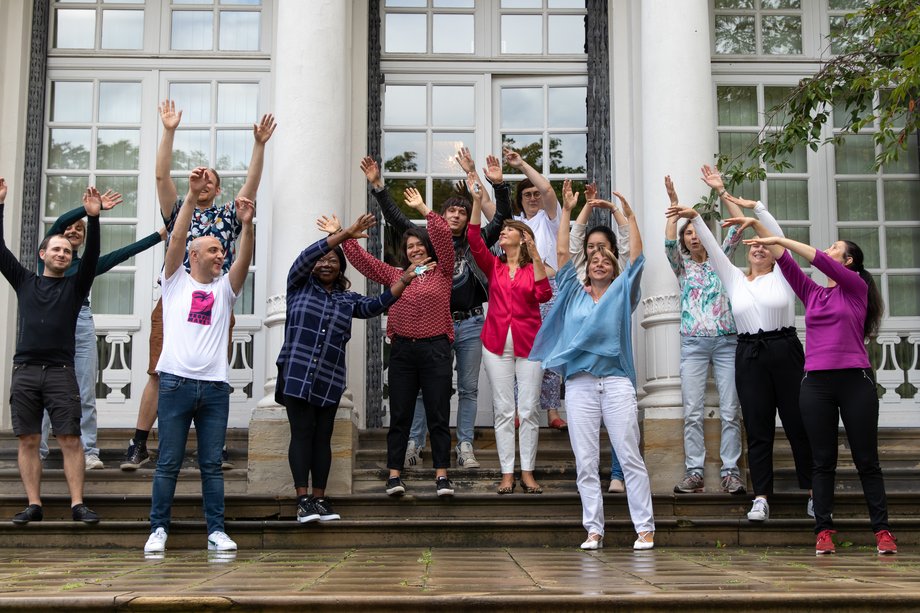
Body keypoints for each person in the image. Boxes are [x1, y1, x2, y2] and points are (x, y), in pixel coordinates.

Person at [123, 99, 275, 471]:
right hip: (175, 302)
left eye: (211, 179)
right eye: (199, 177)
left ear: (219, 188)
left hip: (215, 303)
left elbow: (251, 189)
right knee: (160, 370)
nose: (203, 182)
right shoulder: (180, 210)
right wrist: (170, 131)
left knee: (212, 373)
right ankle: (139, 443)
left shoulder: (228, 216)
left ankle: (214, 445)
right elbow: (161, 179)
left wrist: (259, 145)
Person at [666, 166, 814, 523]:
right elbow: (716, 248)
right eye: (755, 247)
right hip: (748, 352)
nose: (760, 248)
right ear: (746, 253)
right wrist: (694, 217)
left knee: (797, 424)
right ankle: (761, 497)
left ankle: (813, 492)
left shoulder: (783, 273)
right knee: (758, 427)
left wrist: (745, 208)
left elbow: (774, 238)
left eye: (765, 247)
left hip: (783, 349)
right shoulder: (731, 277)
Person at [743, 230, 897, 555]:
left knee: (866, 461)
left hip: (855, 382)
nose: (828, 252)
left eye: (835, 249)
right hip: (815, 384)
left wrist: (782, 241)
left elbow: (816, 259)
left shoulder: (855, 288)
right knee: (822, 462)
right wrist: (754, 221)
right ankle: (824, 530)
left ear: (849, 261)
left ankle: (882, 531)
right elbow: (785, 261)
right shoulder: (812, 293)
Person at [360, 149, 511, 470]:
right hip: (431, 330)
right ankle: (415, 442)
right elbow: (398, 221)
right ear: (440, 219)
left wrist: (497, 186)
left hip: (470, 323)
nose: (456, 215)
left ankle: (465, 445)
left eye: (461, 210)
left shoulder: (478, 239)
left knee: (468, 388)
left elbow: (501, 220)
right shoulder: (427, 245)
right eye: (450, 211)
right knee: (420, 390)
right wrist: (379, 187)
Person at [531, 180, 654, 550]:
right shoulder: (571, 290)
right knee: (585, 462)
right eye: (594, 258)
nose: (599, 261)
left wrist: (623, 215)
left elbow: (635, 253)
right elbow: (566, 249)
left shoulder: (623, 290)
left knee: (629, 455)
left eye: (605, 258)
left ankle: (644, 528)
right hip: (581, 384)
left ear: (613, 265)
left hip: (616, 383)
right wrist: (571, 210)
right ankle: (594, 529)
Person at [278, 212, 420, 523]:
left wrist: (405, 279)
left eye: (334, 260)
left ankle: (319, 499)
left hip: (329, 378)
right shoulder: (298, 285)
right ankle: (302, 501)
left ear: (341, 267)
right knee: (302, 434)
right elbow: (306, 257)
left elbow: (374, 306)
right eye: (322, 259)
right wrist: (346, 233)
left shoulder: (346, 299)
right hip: (298, 373)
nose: (326, 263)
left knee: (322, 437)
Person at [144, 167, 255, 554]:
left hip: (213, 388)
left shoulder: (225, 290)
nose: (220, 254)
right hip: (174, 383)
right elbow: (176, 236)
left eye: (221, 250)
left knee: (211, 465)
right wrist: (190, 197)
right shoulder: (174, 282)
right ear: (194, 255)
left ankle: (216, 531)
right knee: (168, 463)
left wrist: (247, 225)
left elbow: (243, 258)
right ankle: (158, 529)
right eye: (213, 250)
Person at [38, 192, 165, 469]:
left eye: (79, 229)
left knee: (84, 390)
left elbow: (124, 253)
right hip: (49, 323)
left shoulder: (85, 266)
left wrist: (160, 235)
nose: (72, 230)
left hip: (80, 322)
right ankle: (38, 452)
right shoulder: (48, 257)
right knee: (43, 388)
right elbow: (60, 221)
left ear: (83, 239)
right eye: (70, 228)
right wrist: (84, 210)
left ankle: (89, 452)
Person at [342, 187, 455, 497]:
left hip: (436, 350)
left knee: (438, 414)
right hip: (403, 350)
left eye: (420, 245)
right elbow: (363, 262)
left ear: (428, 248)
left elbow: (444, 236)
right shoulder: (395, 274)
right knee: (401, 414)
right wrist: (344, 234)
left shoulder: (443, 270)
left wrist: (423, 209)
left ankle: (442, 476)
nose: (415, 250)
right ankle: (394, 475)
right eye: (410, 246)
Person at [0, 177, 101, 525]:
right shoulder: (25, 281)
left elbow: (93, 259)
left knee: (70, 439)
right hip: (26, 370)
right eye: (55, 249)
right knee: (28, 438)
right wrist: (0, 206)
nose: (62, 253)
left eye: (67, 251)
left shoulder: (75, 288)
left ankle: (77, 504)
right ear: (42, 254)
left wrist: (95, 218)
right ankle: (34, 504)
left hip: (60, 372)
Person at [467, 173, 552, 495]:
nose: (502, 232)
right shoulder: (494, 267)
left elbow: (544, 295)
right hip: (495, 343)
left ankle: (527, 472)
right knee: (504, 411)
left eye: (507, 230)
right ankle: (506, 473)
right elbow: (474, 240)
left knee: (528, 410)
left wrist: (538, 257)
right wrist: (477, 201)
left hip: (530, 345)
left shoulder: (533, 269)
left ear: (522, 238)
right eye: (501, 230)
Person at [664, 175, 745, 495]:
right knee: (693, 410)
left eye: (697, 229)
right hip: (694, 344)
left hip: (727, 342)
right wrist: (673, 205)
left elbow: (738, 227)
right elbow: (668, 243)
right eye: (687, 232)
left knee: (730, 409)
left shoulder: (721, 260)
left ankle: (731, 472)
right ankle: (694, 471)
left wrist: (721, 191)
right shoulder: (681, 265)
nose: (693, 236)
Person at [567, 182, 631, 494]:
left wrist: (617, 213)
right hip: (583, 372)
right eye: (591, 249)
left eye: (601, 248)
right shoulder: (579, 286)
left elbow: (632, 251)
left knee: (622, 429)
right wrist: (588, 207)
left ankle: (618, 474)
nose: (595, 253)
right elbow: (573, 245)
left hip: (617, 366)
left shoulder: (624, 286)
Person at [505, 146, 567, 432]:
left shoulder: (550, 219)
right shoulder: (515, 225)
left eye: (535, 194)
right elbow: (493, 210)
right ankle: (519, 408)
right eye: (526, 194)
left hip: (550, 287)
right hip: (521, 290)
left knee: (551, 349)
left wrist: (521, 165)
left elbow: (549, 190)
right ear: (520, 199)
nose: (533, 197)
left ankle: (552, 409)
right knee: (523, 349)